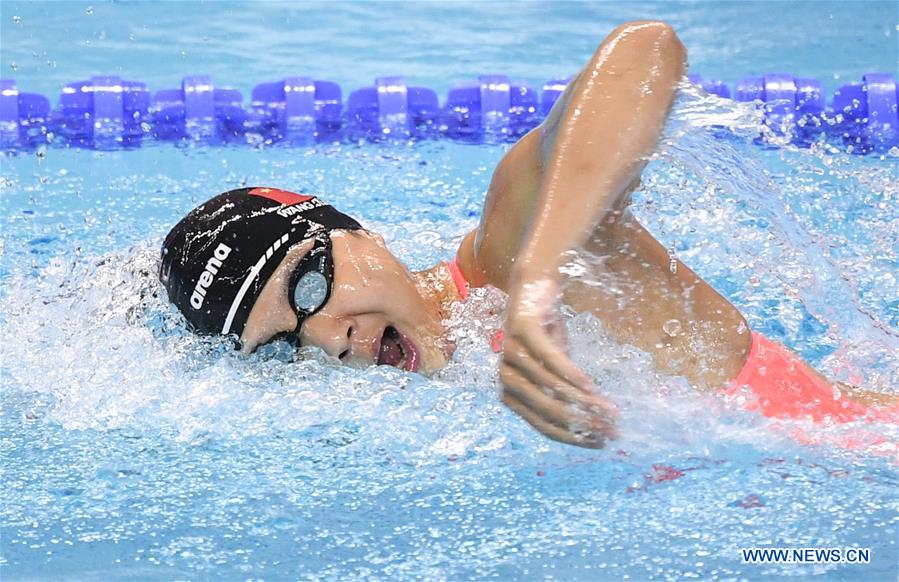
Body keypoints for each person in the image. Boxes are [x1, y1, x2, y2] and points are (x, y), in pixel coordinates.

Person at [159, 21, 895, 449]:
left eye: (309, 287)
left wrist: (543, 273)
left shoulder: (509, 250)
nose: (329, 340)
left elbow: (646, 51)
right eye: (284, 344)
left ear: (355, 232)